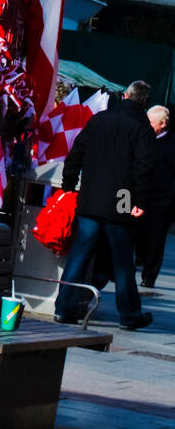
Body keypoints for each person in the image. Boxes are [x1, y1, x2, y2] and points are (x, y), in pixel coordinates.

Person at [55, 80, 156, 331]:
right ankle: (129, 314)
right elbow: (144, 167)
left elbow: (76, 152)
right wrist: (140, 201)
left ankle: (63, 308)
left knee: (80, 255)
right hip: (121, 198)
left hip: (90, 196)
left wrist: (68, 185)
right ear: (145, 102)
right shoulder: (141, 127)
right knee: (122, 260)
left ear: (125, 95)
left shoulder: (99, 119)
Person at [139, 105, 175, 291]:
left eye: (151, 122)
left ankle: (149, 276)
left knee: (155, 239)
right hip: (135, 196)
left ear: (163, 123)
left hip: (160, 200)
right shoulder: (142, 138)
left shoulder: (172, 144)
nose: (147, 125)